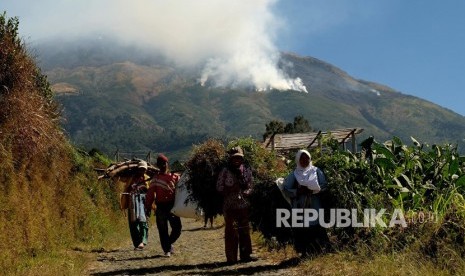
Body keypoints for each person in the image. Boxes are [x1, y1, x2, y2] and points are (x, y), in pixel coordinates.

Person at [283, 149, 331, 257]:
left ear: (310, 159)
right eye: (302, 158)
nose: (305, 161)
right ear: (297, 160)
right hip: (300, 206)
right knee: (302, 228)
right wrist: (298, 192)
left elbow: (324, 185)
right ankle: (305, 252)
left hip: (315, 204)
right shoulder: (294, 175)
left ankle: (318, 250)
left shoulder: (316, 171)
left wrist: (313, 190)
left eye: (307, 158)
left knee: (316, 226)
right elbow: (286, 190)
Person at [216, 146, 255, 263]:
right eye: (234, 158)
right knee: (231, 232)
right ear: (230, 160)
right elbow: (218, 187)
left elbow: (251, 185)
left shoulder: (246, 170)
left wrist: (246, 192)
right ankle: (231, 258)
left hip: (243, 205)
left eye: (239, 158)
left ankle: (245, 256)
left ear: (242, 159)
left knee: (244, 231)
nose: (236, 160)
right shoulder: (225, 171)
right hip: (230, 206)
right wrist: (229, 189)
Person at [145, 154, 182, 257]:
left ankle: (168, 244)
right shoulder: (155, 179)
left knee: (177, 229)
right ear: (158, 165)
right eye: (160, 164)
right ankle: (167, 250)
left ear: (167, 163)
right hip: (161, 207)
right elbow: (150, 194)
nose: (163, 165)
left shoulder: (175, 177)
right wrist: (148, 207)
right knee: (162, 229)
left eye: (164, 163)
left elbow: (182, 191)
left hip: (172, 206)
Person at [122, 160, 149, 250]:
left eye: (143, 169)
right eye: (140, 169)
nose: (142, 171)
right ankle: (137, 243)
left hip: (143, 202)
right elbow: (123, 181)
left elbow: (149, 190)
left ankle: (143, 241)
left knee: (143, 222)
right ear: (137, 169)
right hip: (132, 202)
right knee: (133, 223)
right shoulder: (131, 178)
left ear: (146, 170)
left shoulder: (147, 179)